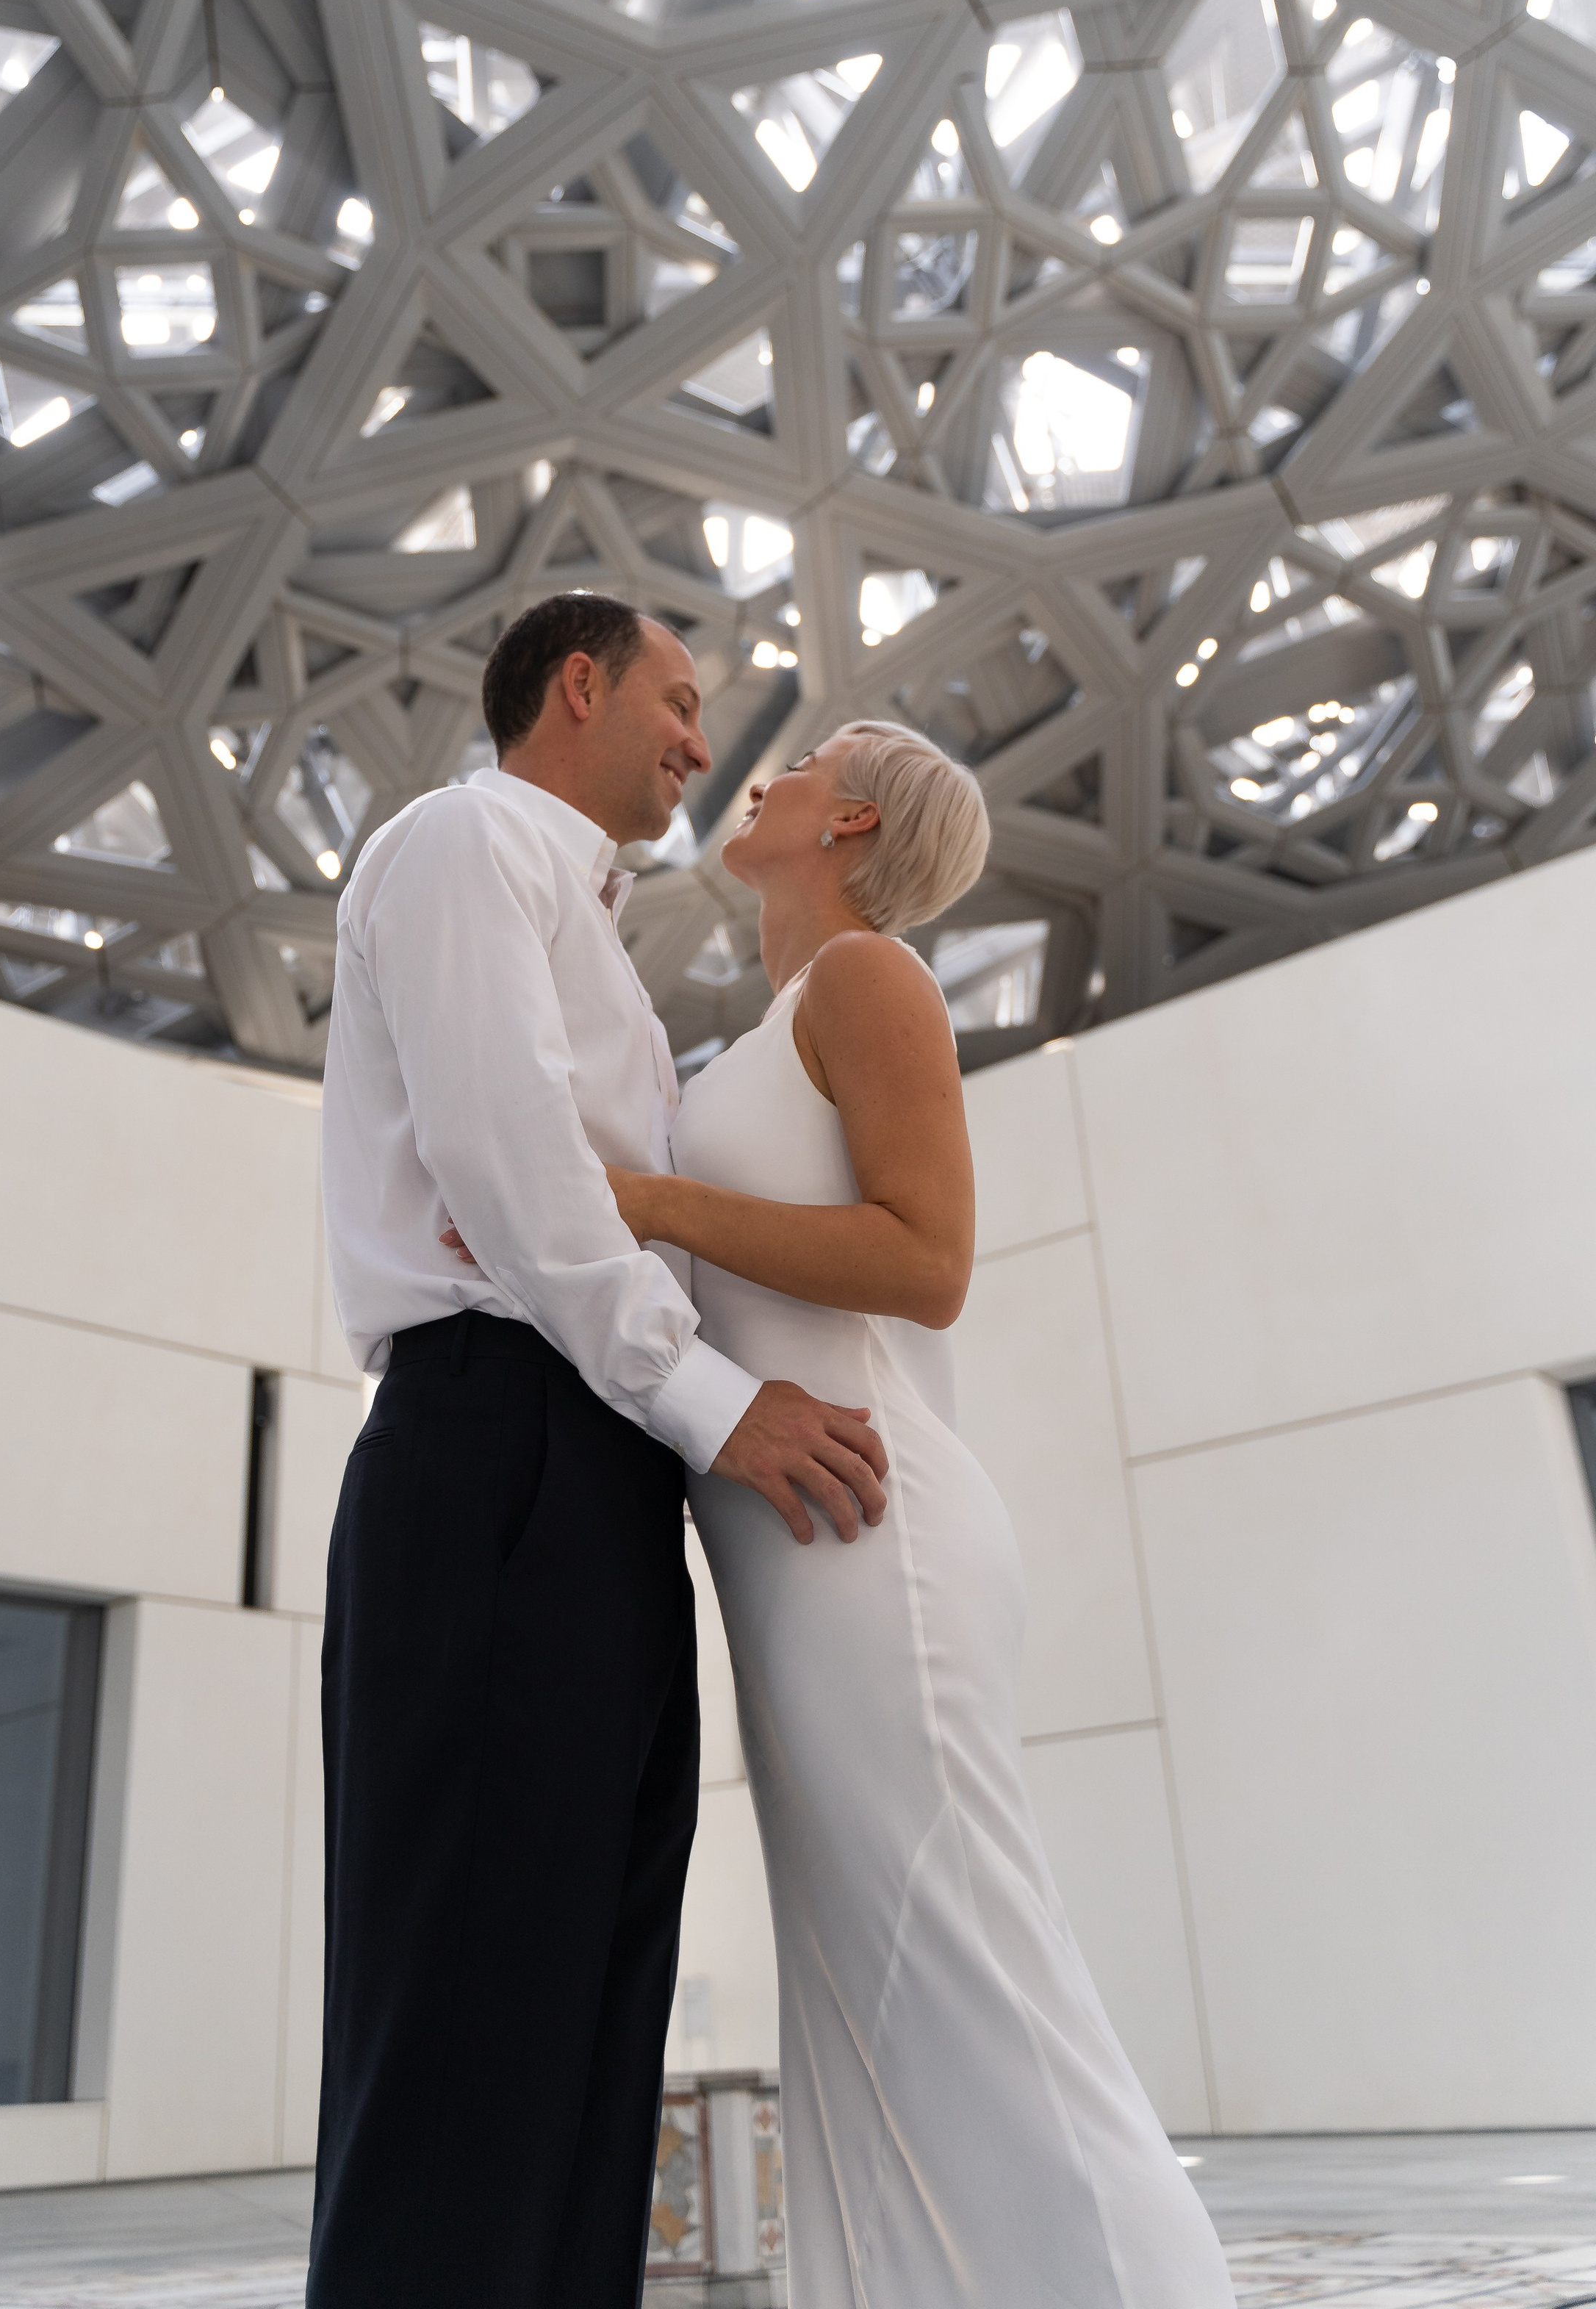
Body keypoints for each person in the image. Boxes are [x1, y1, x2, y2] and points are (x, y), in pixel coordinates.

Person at [600, 723, 1239, 2309]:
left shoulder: (868, 980)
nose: (763, 774)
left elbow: (923, 1260)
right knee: (860, 1992)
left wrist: (654, 1203)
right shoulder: (767, 1027)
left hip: (871, 1539)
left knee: (960, 1967)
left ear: (853, 818)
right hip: (793, 1552)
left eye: (802, 766)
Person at [309, 594, 888, 2309]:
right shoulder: (463, 842)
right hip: (500, 1448)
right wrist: (718, 1400)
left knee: (583, 2018)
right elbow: (510, 1161)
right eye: (680, 701)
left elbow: (600, 1192)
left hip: (600, 1476)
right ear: (578, 686)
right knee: (467, 2032)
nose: (702, 749)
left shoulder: (588, 931)